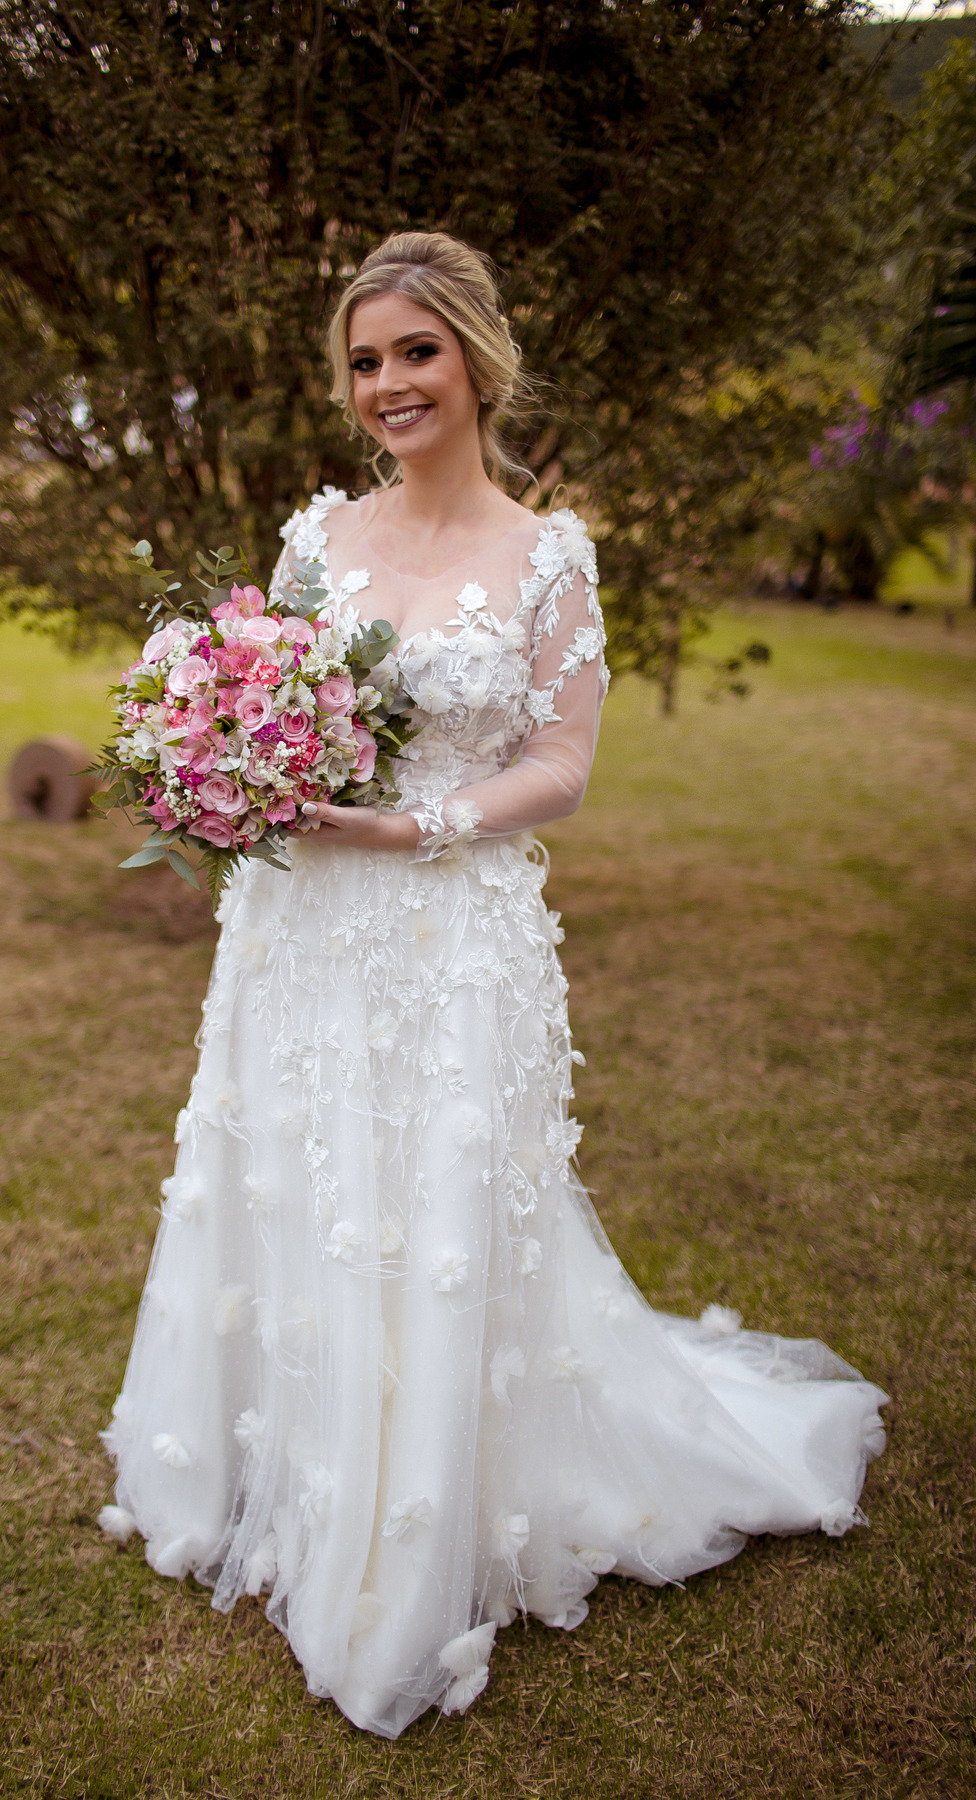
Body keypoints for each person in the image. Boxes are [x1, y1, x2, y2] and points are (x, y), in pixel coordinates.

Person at [99, 230, 887, 1739]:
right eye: (365, 361)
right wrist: (222, 767)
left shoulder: (551, 556)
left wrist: (410, 826)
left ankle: (420, 1518)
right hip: (301, 936)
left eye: (414, 351)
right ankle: (288, 1462)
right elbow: (260, 696)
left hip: (455, 936)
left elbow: (563, 770)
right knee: (298, 1185)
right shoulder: (315, 541)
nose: (387, 384)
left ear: (473, 357)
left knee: (437, 1216)